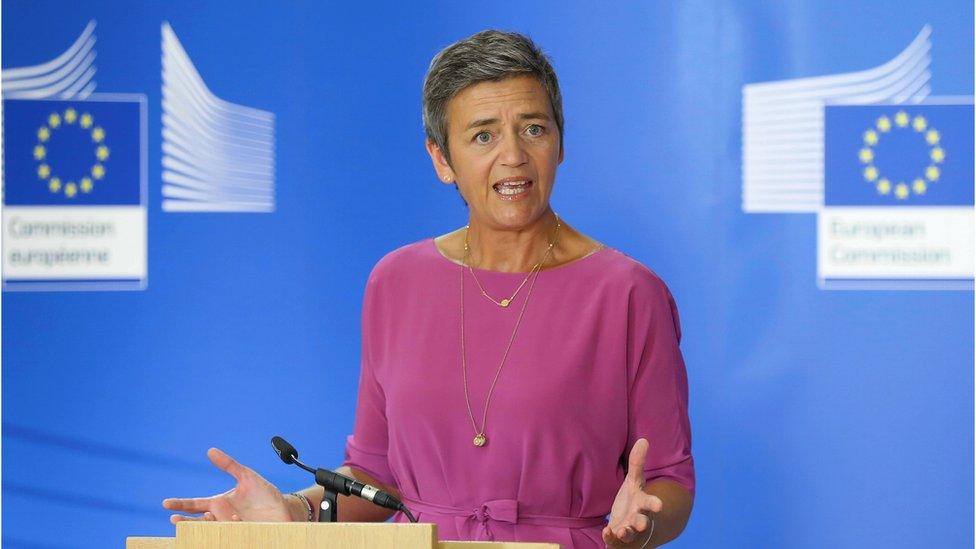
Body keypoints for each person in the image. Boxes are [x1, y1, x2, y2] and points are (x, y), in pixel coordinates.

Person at [162, 30, 694, 549]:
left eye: (533, 128)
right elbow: (377, 474)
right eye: (483, 135)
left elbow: (670, 479)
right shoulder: (396, 282)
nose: (513, 155)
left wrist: (642, 528)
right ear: (442, 159)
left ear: (560, 141)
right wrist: (295, 509)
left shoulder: (628, 293)